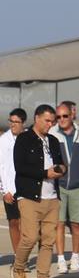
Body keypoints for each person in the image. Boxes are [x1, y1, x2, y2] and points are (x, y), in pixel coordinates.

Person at [11, 105, 66, 278]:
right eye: (47, 120)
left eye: (53, 121)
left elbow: (61, 163)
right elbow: (20, 167)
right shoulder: (24, 139)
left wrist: (61, 169)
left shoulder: (53, 140)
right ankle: (18, 268)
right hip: (30, 196)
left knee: (48, 241)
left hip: (52, 198)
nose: (50, 125)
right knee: (30, 237)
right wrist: (45, 173)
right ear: (37, 118)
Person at [51, 103, 79, 273]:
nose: (61, 119)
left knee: (77, 224)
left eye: (65, 116)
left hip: (78, 186)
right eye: (59, 116)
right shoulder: (53, 134)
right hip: (59, 187)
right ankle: (61, 259)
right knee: (59, 224)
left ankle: (75, 256)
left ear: (71, 116)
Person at [1, 109, 25, 256]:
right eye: (11, 121)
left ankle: (24, 254)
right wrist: (5, 191)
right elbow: (1, 167)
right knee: (13, 222)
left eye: (16, 122)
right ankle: (18, 257)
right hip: (10, 189)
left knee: (26, 225)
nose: (13, 125)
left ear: (23, 123)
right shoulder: (3, 140)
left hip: (26, 189)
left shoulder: (28, 138)